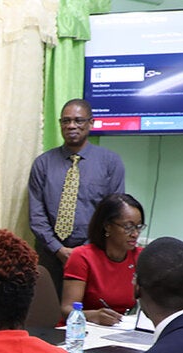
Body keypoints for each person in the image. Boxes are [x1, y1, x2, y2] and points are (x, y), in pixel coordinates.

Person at [27, 99, 126, 293]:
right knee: (48, 314)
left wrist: (83, 251)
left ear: (91, 123)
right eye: (66, 121)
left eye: (78, 120)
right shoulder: (43, 163)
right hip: (50, 254)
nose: (71, 125)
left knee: (87, 312)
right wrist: (58, 249)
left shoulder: (110, 162)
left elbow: (113, 213)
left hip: (93, 253)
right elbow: (36, 214)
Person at [62, 193, 144, 325]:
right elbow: (67, 310)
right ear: (107, 226)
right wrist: (92, 315)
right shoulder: (82, 256)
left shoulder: (141, 257)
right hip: (81, 331)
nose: (135, 234)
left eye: (138, 227)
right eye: (128, 227)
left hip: (119, 330)